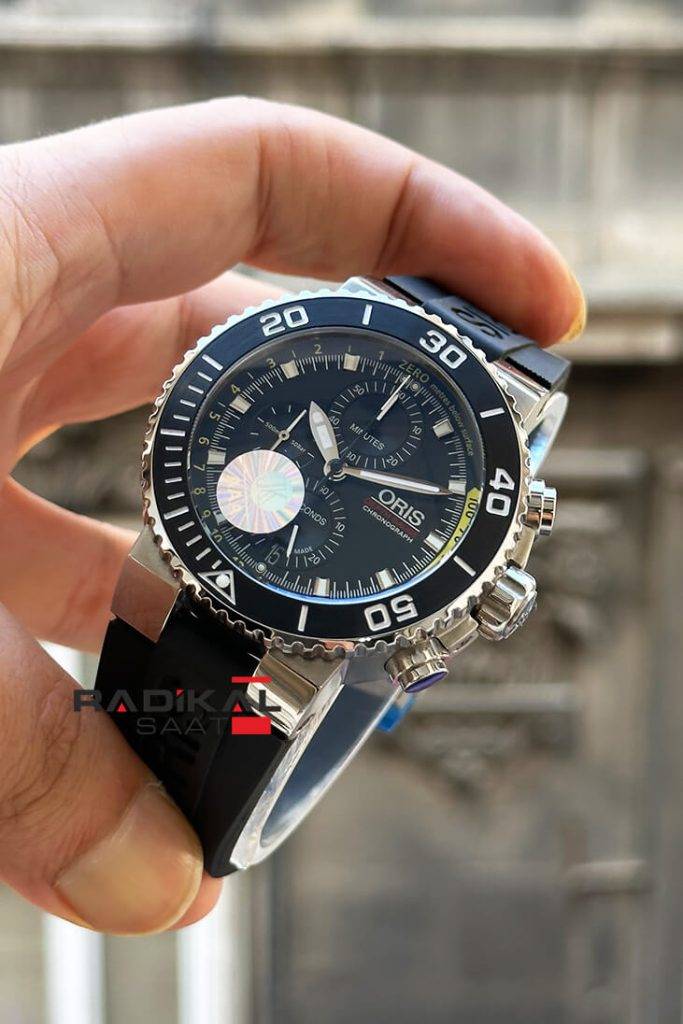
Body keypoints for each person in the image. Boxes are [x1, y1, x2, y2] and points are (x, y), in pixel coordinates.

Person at [0, 97, 585, 935]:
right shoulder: (339, 334)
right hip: (211, 553)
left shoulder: (481, 477)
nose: (336, 470)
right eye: (332, 458)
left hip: (289, 640)